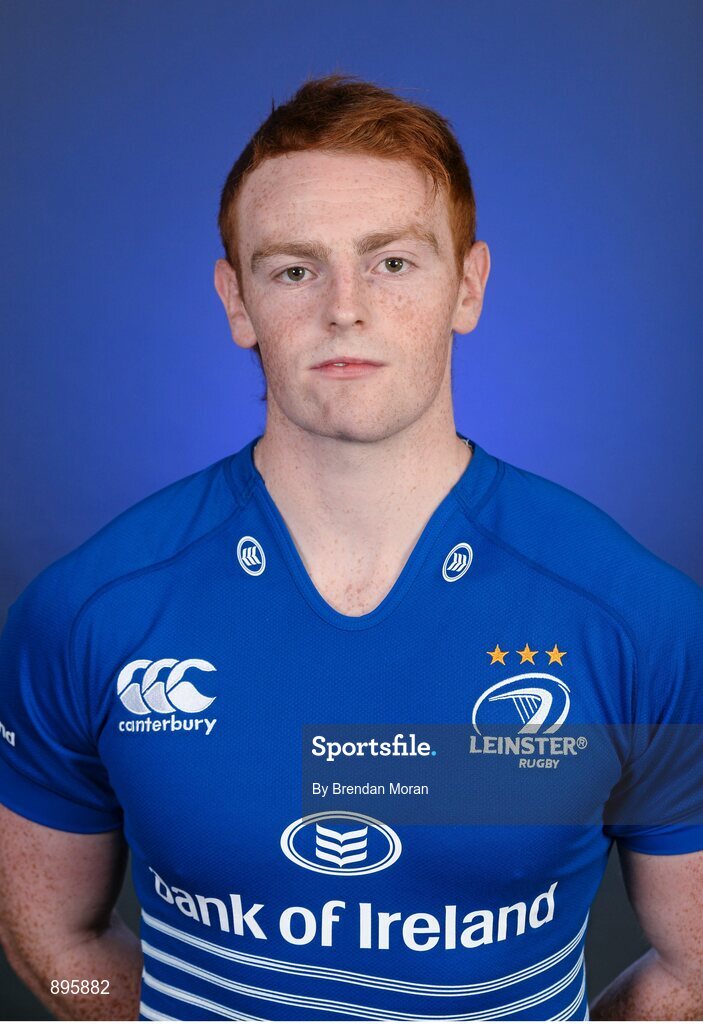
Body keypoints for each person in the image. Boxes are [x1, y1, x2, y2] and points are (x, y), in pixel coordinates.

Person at [0, 72, 702, 1023]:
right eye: (294, 269)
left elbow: (693, 966)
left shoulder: (640, 622)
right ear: (236, 301)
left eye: (393, 262)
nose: (344, 307)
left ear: (467, 286)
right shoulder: (86, 613)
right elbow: (58, 946)